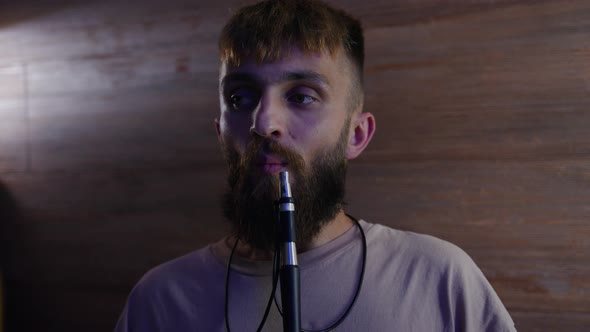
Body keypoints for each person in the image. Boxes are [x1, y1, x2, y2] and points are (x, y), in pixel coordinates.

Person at [115, 0, 517, 331]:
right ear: (221, 130)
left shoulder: (441, 280)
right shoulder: (159, 301)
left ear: (356, 135)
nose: (264, 123)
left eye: (302, 96)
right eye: (240, 98)